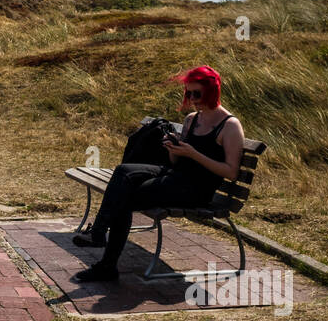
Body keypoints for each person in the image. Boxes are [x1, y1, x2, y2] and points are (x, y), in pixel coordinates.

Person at [72, 66, 245, 282]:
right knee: (124, 172)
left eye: (197, 94)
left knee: (124, 196)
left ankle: (106, 261)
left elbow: (231, 171)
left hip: (196, 190)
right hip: (174, 176)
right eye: (188, 93)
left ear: (212, 91)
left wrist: (193, 153)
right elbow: (177, 161)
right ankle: (99, 236)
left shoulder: (229, 126)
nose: (192, 99)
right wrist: (173, 150)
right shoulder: (193, 119)